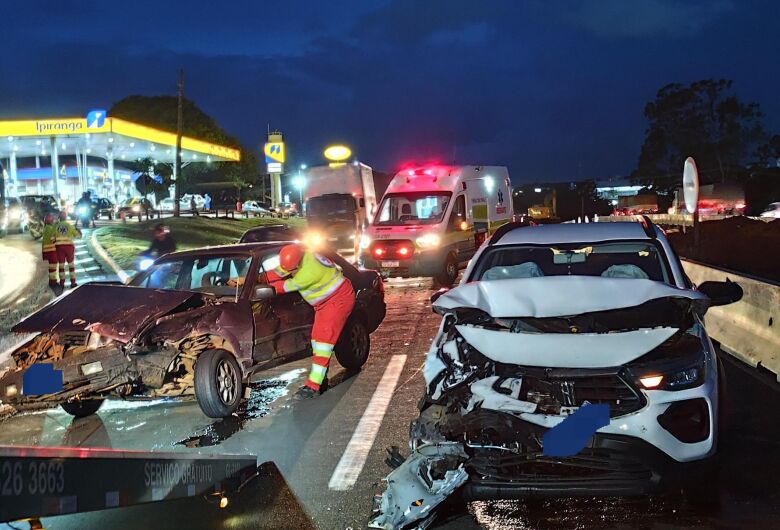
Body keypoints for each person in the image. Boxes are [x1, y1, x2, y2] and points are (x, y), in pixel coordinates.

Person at [264, 244, 355, 399]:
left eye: (293, 270)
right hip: (325, 303)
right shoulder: (302, 255)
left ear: (298, 263)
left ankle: (314, 386)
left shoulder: (309, 273)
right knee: (317, 340)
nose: (290, 272)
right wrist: (256, 278)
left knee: (323, 343)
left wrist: (258, 287)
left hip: (337, 301)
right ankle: (321, 378)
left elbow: (283, 287)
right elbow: (281, 271)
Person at [54, 211, 81, 288]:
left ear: (59, 218)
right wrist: (78, 231)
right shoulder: (69, 226)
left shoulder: (56, 226)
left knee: (61, 266)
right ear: (66, 217)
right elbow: (78, 236)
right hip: (69, 248)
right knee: (71, 265)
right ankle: (73, 283)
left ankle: (62, 284)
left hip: (59, 248)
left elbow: (52, 238)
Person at [41, 213, 59, 288]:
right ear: (51, 221)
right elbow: (52, 239)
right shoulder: (49, 228)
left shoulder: (46, 228)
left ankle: (52, 280)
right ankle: (53, 282)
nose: (53, 221)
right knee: (53, 266)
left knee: (52, 266)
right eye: (53, 220)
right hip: (51, 251)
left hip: (48, 251)